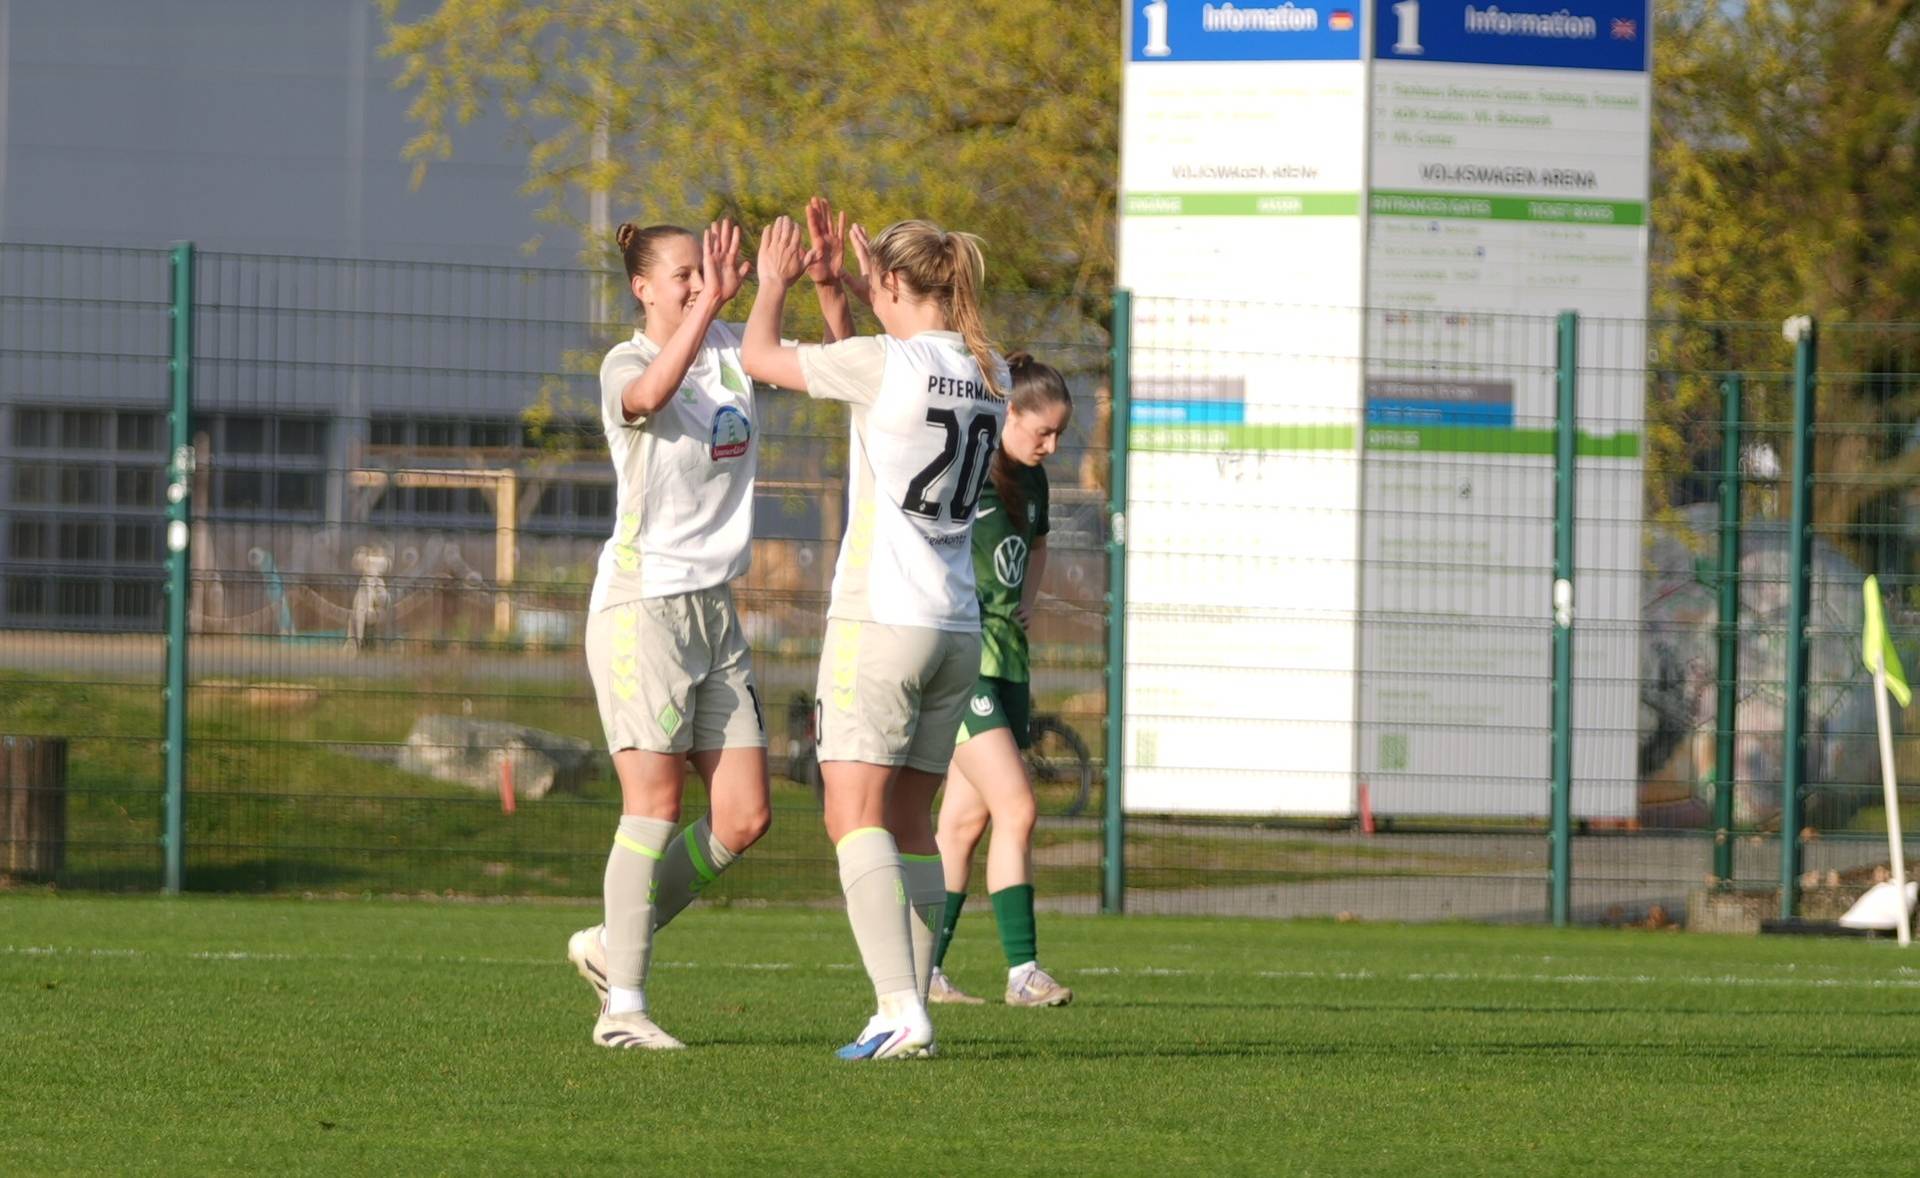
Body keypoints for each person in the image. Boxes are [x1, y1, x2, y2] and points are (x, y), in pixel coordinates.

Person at [566, 214, 854, 1050]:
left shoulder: (732, 343)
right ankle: (624, 1009)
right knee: (653, 804)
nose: (699, 283)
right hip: (643, 609)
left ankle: (613, 943)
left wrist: (817, 285)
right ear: (643, 288)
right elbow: (651, 394)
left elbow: (838, 370)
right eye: (683, 274)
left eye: (705, 269)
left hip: (713, 610)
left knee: (744, 815)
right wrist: (716, 306)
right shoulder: (624, 363)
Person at [742, 213, 1008, 1061]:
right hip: (956, 628)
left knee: (851, 816)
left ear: (891, 285)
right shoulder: (988, 369)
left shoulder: (883, 363)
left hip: (880, 621)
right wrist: (843, 290)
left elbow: (759, 359)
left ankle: (900, 1008)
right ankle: (914, 1001)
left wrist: (776, 283)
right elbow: (884, 388)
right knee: (911, 823)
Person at [927, 353, 1075, 1008]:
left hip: (1009, 662)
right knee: (1018, 806)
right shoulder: (969, 473)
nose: (1052, 445)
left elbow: (1036, 546)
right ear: (1006, 413)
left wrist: (1030, 601)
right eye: (1041, 431)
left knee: (962, 825)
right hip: (968, 664)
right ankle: (1023, 972)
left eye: (1059, 434)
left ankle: (921, 969)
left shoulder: (1033, 482)